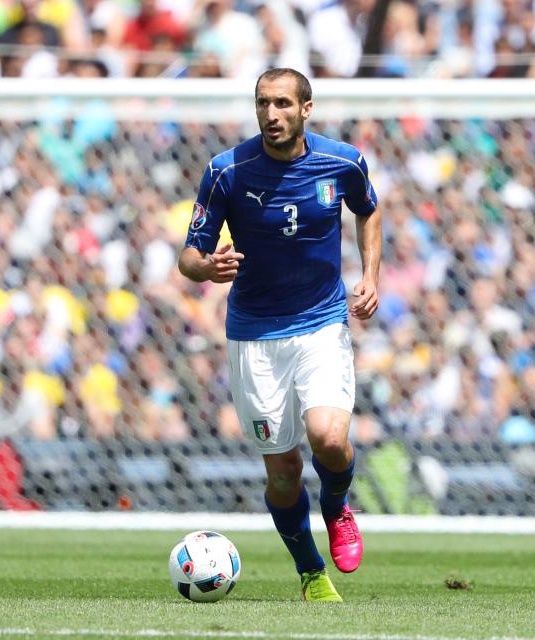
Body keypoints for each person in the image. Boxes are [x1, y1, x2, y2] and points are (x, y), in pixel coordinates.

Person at [177, 68, 381, 602]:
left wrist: (371, 276)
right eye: (263, 104)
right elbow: (189, 255)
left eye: (284, 104)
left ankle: (337, 509)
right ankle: (312, 573)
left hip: (321, 322)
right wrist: (206, 269)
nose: (272, 115)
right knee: (285, 471)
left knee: (331, 441)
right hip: (255, 335)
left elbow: (368, 211)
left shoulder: (343, 161)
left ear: (306, 109)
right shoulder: (227, 171)